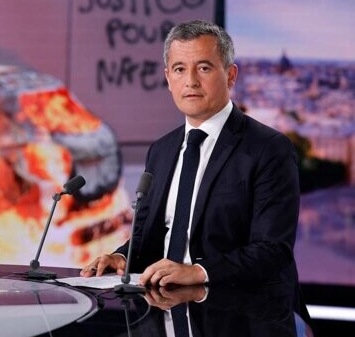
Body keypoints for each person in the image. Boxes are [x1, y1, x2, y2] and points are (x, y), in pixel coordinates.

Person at [80, 20, 307, 319]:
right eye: (179, 69)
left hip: (245, 318)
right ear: (168, 78)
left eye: (203, 68)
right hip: (165, 312)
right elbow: (149, 236)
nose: (190, 81)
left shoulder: (269, 149)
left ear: (230, 75)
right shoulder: (161, 151)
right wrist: (121, 257)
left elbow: (272, 250)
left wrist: (198, 272)